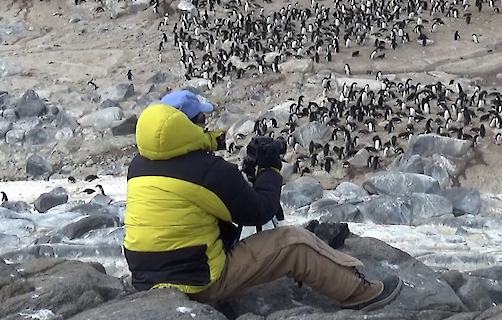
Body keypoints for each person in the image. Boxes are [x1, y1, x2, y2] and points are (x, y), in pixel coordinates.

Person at [123, 89, 403, 312]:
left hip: (146, 280)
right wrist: (269, 170)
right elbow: (258, 211)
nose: (205, 126)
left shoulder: (138, 166)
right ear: (184, 127)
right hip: (198, 282)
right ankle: (361, 293)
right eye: (200, 121)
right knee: (294, 243)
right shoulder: (206, 170)